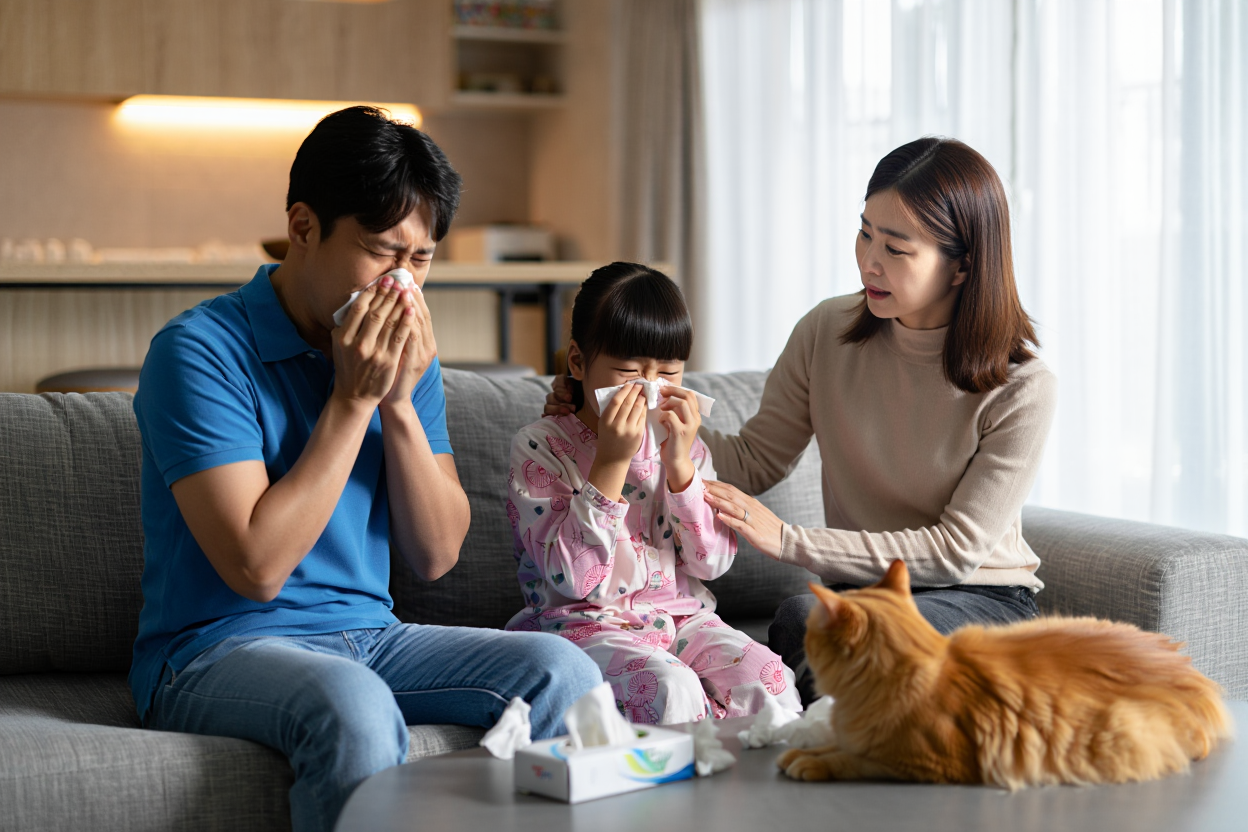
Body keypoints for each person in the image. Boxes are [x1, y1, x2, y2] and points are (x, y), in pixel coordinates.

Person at [129, 106, 602, 832]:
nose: (402, 285)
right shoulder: (197, 351)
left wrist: (399, 404)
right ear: (304, 227)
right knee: (354, 703)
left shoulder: (408, 361)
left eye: (422, 261)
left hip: (371, 636)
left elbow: (436, 554)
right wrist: (352, 401)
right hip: (214, 649)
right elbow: (257, 568)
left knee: (565, 672)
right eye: (382, 252)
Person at [546, 138, 1057, 703]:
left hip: (977, 598)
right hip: (862, 600)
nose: (869, 261)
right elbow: (753, 460)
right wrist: (615, 413)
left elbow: (956, 549)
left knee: (848, 635)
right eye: (865, 233)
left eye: (896, 248)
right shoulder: (826, 331)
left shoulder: (1023, 386)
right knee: (804, 621)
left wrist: (790, 541)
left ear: (962, 266)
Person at [507, 262, 801, 724]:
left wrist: (682, 468)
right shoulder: (541, 448)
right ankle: (691, 761)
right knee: (671, 690)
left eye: (668, 372)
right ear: (578, 363)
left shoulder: (684, 445)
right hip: (583, 627)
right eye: (628, 371)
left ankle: (740, 766)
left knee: (770, 679)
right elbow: (574, 581)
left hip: (680, 618)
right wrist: (610, 461)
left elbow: (711, 564)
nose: (649, 388)